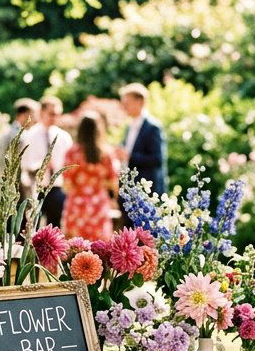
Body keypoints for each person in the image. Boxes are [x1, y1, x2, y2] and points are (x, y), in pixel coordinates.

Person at [61, 112, 119, 241]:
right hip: (98, 205)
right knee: (99, 249)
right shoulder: (106, 154)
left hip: (76, 205)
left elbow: (66, 185)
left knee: (74, 249)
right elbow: (113, 182)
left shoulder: (72, 153)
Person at [19, 95, 73, 228]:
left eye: (57, 114)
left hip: (57, 188)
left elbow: (70, 162)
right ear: (41, 112)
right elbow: (24, 164)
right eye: (51, 114)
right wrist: (41, 167)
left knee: (55, 228)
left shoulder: (64, 137)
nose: (55, 117)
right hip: (36, 188)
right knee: (33, 227)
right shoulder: (29, 135)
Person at [118, 83, 166, 195]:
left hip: (147, 192)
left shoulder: (153, 127)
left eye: (127, 103)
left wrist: (129, 156)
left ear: (140, 102)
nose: (124, 107)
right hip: (130, 191)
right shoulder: (128, 126)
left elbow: (157, 160)